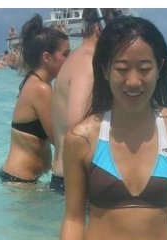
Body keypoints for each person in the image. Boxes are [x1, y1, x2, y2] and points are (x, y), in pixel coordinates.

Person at [58, 16, 167, 240]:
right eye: (122, 69)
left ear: (159, 68)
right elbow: (73, 217)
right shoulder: (82, 138)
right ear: (105, 69)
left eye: (144, 69)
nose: (133, 81)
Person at [50, 9, 116, 193]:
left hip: (66, 178)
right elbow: (78, 127)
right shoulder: (89, 62)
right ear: (99, 26)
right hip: (76, 182)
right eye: (115, 24)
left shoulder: (76, 57)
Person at [0, 14, 70, 185]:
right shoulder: (41, 89)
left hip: (21, 179)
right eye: (66, 54)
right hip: (20, 181)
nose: (70, 60)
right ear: (47, 58)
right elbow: (59, 140)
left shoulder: (34, 82)